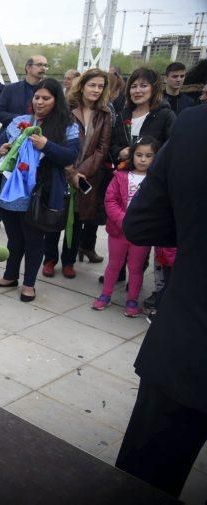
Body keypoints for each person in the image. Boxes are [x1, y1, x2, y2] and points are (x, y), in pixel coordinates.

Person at [115, 104, 207, 499]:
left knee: (142, 482)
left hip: (190, 344)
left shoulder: (196, 125)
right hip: (188, 344)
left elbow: (142, 223)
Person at [0, 79, 79, 302]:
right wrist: (2, 148)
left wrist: (46, 145)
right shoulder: (19, 121)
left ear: (57, 100)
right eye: (37, 97)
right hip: (11, 190)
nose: (39, 102)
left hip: (41, 192)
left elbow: (70, 156)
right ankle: (9, 276)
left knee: (34, 239)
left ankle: (29, 284)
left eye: (46, 98)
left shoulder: (67, 125)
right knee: (14, 238)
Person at [43, 68, 112, 278]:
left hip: (86, 178)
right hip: (62, 170)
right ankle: (50, 258)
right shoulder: (66, 110)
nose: (96, 90)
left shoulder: (105, 114)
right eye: (92, 85)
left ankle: (69, 261)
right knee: (55, 218)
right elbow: (56, 140)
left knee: (77, 219)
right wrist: (70, 170)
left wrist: (80, 173)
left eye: (100, 86)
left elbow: (102, 148)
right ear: (81, 86)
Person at [0, 55, 48, 233]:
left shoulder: (47, 92)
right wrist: (21, 122)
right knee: (3, 177)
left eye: (45, 66)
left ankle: (30, 214)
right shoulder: (11, 89)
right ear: (28, 68)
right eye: (40, 65)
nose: (43, 68)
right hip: (10, 142)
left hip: (36, 144)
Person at [91, 137, 157, 316]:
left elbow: (158, 206)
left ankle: (132, 299)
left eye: (149, 155)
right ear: (132, 156)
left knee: (136, 268)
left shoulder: (156, 181)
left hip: (141, 234)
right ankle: (105, 295)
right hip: (119, 231)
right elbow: (110, 200)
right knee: (114, 264)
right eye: (139, 155)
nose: (143, 159)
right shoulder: (120, 176)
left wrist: (143, 224)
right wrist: (123, 220)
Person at [109, 67, 176, 168]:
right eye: (133, 86)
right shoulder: (122, 115)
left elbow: (173, 148)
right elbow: (111, 144)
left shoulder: (166, 116)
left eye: (143, 86)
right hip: (124, 176)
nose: (137, 90)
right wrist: (119, 153)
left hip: (152, 177)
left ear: (154, 89)